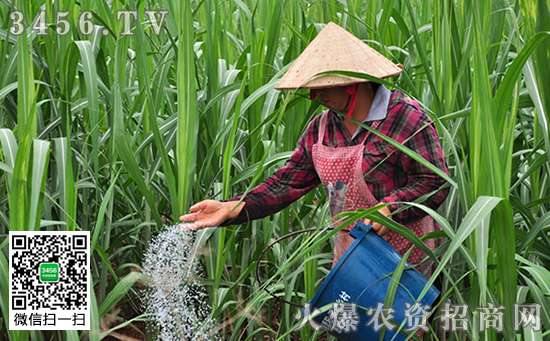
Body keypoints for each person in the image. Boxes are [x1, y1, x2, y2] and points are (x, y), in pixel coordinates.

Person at [180, 22, 449, 277]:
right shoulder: (321, 129)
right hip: (353, 256)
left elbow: (435, 181)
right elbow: (287, 183)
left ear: (353, 82)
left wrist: (389, 209)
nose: (315, 96)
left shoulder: (404, 118)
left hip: (408, 256)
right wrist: (233, 207)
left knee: (404, 325)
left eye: (323, 87)